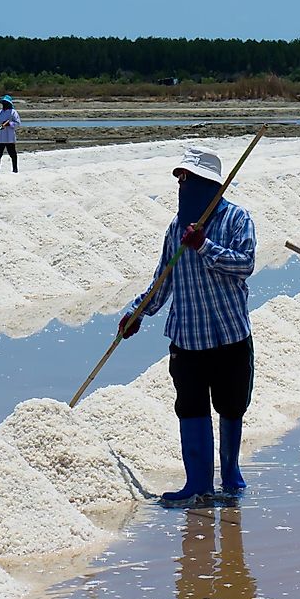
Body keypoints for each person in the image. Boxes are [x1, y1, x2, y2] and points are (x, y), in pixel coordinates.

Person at [119, 147, 256, 506]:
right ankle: (197, 485)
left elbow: (244, 265)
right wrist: (137, 313)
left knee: (231, 407)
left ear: (211, 185)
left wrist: (204, 246)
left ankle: (230, 476)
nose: (182, 186)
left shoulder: (237, 220)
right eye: (180, 179)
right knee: (191, 408)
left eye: (188, 179)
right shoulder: (176, 230)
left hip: (229, 337)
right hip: (188, 340)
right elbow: (162, 282)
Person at [0, 95, 22, 173]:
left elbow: (18, 123)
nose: (4, 104)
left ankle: (15, 169)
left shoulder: (13, 112)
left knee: (12, 154)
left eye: (6, 103)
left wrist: (9, 124)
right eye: (3, 103)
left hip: (9, 137)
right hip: (0, 137)